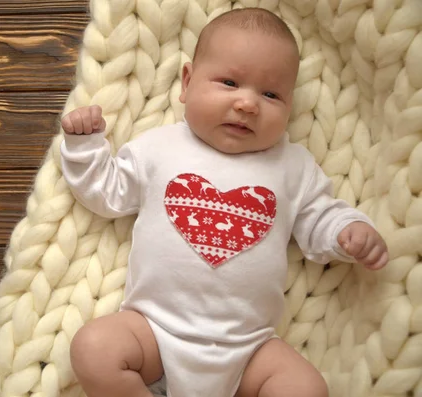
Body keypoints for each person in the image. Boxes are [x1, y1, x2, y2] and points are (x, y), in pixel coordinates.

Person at [59, 7, 388, 397]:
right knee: (93, 348)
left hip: (249, 348)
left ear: (289, 105)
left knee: (306, 388)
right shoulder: (159, 148)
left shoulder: (293, 166)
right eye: (230, 82)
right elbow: (107, 192)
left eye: (270, 94)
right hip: (154, 331)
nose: (248, 104)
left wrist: (346, 232)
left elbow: (319, 219)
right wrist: (85, 146)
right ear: (187, 82)